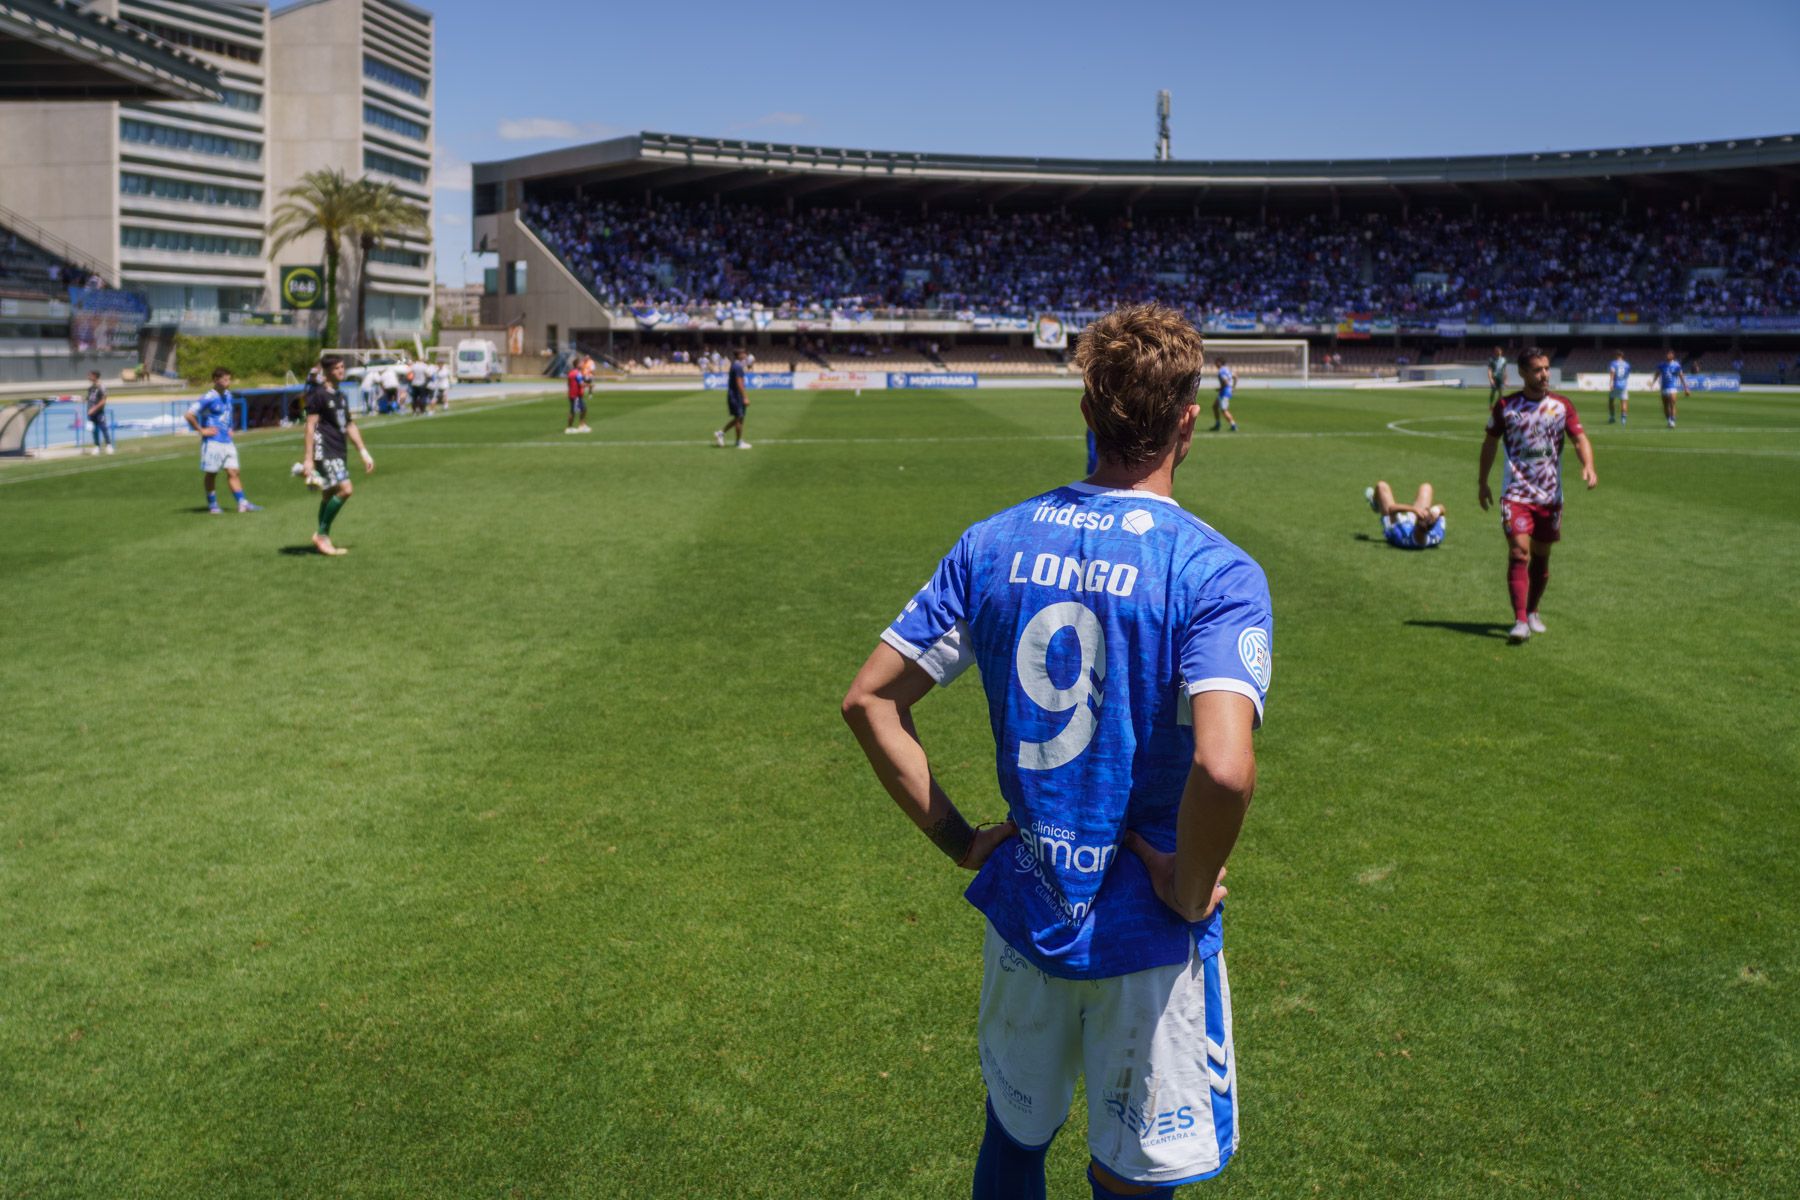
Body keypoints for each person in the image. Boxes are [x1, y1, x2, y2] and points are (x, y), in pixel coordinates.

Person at [843, 304, 1269, 1198]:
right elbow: (1224, 767)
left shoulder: (992, 544)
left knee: (1013, 1139)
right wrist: (1187, 889)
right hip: (1148, 942)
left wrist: (963, 842)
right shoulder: (1215, 572)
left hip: (1028, 911)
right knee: (1130, 1179)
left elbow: (870, 700)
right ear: (1189, 422)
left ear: (1086, 413)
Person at [1478, 347, 1597, 644]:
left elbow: (1579, 438)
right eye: (1537, 369)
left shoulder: (1561, 406)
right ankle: (1519, 621)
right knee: (1520, 552)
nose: (1544, 374)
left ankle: (1532, 611)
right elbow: (1490, 443)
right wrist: (1482, 481)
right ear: (1523, 373)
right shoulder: (1506, 406)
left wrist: (1589, 465)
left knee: (1542, 557)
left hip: (1550, 496)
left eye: (1546, 368)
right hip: (1515, 494)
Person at [300, 355, 375, 556]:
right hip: (325, 450)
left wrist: (364, 452)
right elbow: (310, 426)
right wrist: (308, 458)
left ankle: (324, 539)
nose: (341, 371)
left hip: (338, 450)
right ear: (327, 372)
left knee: (328, 494)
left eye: (342, 367)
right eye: (337, 368)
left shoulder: (340, 395)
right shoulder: (318, 395)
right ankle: (321, 534)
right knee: (346, 489)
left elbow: (349, 424)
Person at [184, 368, 259, 513]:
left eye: (229, 379)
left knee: (234, 471)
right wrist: (201, 430)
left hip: (227, 441)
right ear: (215, 380)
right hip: (213, 441)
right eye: (225, 380)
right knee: (212, 473)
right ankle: (212, 504)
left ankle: (242, 503)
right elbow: (189, 414)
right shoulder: (208, 397)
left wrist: (230, 427)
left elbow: (227, 413)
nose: (228, 383)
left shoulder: (228, 395)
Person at [1364, 480, 1446, 549]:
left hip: (1394, 522)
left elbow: (1392, 509)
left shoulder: (1401, 537)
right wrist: (1436, 510)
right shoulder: (1436, 534)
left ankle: (1376, 504)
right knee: (1426, 487)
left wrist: (1413, 509)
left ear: (1417, 520)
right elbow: (1442, 508)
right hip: (1414, 525)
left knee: (1381, 486)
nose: (1426, 510)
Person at [714, 349, 751, 448]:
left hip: (735, 395)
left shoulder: (736, 365)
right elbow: (739, 383)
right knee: (739, 418)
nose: (745, 354)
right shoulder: (738, 367)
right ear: (739, 355)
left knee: (739, 418)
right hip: (736, 396)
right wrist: (745, 397)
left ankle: (721, 433)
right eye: (743, 353)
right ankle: (738, 442)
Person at [1653, 349, 1689, 428]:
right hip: (1663, 388)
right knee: (1665, 405)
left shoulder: (1676, 365)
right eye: (1666, 354)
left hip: (1672, 388)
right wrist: (1653, 383)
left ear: (1672, 356)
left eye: (1669, 354)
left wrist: (1686, 388)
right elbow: (1657, 374)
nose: (1667, 355)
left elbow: (1681, 376)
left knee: (1672, 404)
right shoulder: (1661, 365)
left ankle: (1672, 421)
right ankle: (1669, 420)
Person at [85, 370, 113, 456]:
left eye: (90, 375)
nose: (88, 377)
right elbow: (90, 399)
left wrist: (94, 409)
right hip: (91, 413)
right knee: (93, 430)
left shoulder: (101, 386)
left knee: (103, 428)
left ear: (95, 376)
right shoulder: (90, 388)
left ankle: (109, 446)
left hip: (99, 412)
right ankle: (97, 446)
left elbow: (103, 400)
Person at [1210, 359, 1237, 432]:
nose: (1215, 365)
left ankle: (1233, 425)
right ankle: (1217, 424)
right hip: (1226, 391)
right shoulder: (1227, 369)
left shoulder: (1221, 371)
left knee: (1224, 410)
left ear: (1219, 363)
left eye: (1216, 363)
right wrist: (1233, 387)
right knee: (1215, 406)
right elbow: (1235, 376)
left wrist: (1220, 388)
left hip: (1224, 392)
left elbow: (1225, 382)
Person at [565, 356, 591, 433]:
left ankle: (581, 425)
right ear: (577, 365)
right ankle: (571, 428)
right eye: (581, 363)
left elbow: (569, 384)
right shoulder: (577, 373)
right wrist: (590, 386)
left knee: (582, 409)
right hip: (576, 395)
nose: (582, 364)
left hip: (573, 394)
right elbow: (581, 384)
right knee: (575, 411)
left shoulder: (571, 373)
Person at [1606, 350, 1631, 424]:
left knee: (1611, 400)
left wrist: (1610, 383)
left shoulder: (1613, 363)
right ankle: (1623, 419)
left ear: (1616, 355)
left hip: (1615, 384)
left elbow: (1612, 373)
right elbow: (1627, 375)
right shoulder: (1627, 364)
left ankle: (1612, 417)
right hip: (1624, 385)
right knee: (1623, 402)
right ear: (1622, 356)